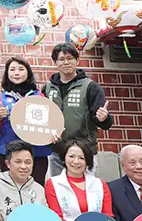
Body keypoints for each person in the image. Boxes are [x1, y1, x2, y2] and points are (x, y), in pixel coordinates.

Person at [42, 43, 112, 177]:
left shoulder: (91, 87)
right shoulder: (47, 89)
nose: (66, 62)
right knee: (59, 192)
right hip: (56, 152)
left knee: (85, 193)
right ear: (56, 63)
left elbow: (103, 122)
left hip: (83, 152)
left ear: (77, 61)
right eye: (61, 59)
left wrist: (104, 118)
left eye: (70, 58)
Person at [0, 57, 53, 185]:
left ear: (28, 73)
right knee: (11, 189)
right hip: (9, 153)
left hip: (37, 153)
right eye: (12, 69)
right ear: (7, 74)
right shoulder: (0, 99)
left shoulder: (39, 97)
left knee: (36, 187)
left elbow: (48, 125)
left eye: (21, 69)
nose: (16, 73)